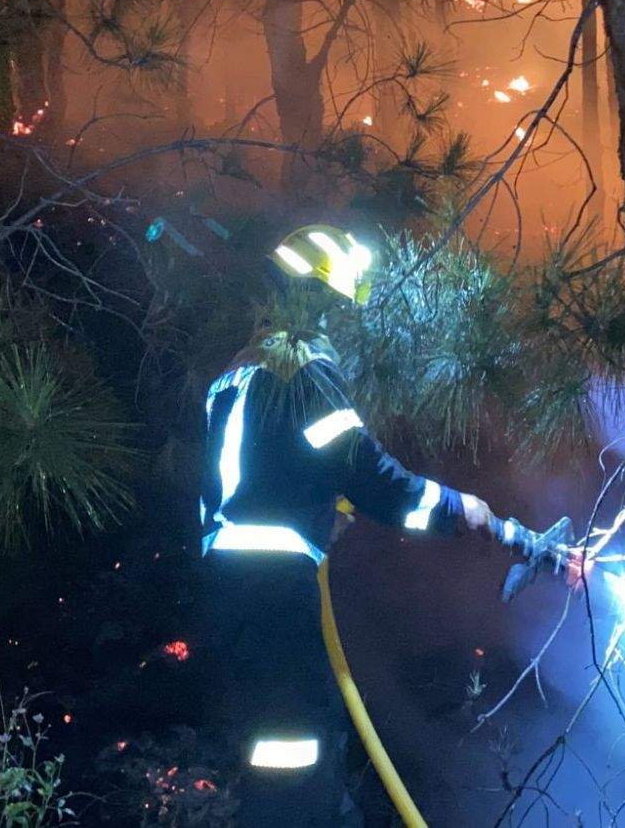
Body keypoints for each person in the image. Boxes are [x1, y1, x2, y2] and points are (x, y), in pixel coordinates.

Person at [196, 224, 527, 823]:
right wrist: (460, 507)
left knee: (274, 746)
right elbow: (372, 478)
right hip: (275, 590)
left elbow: (256, 481)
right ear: (319, 303)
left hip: (231, 586)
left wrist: (315, 515)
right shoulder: (304, 376)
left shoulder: (233, 379)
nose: (342, 329)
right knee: (298, 755)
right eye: (341, 312)